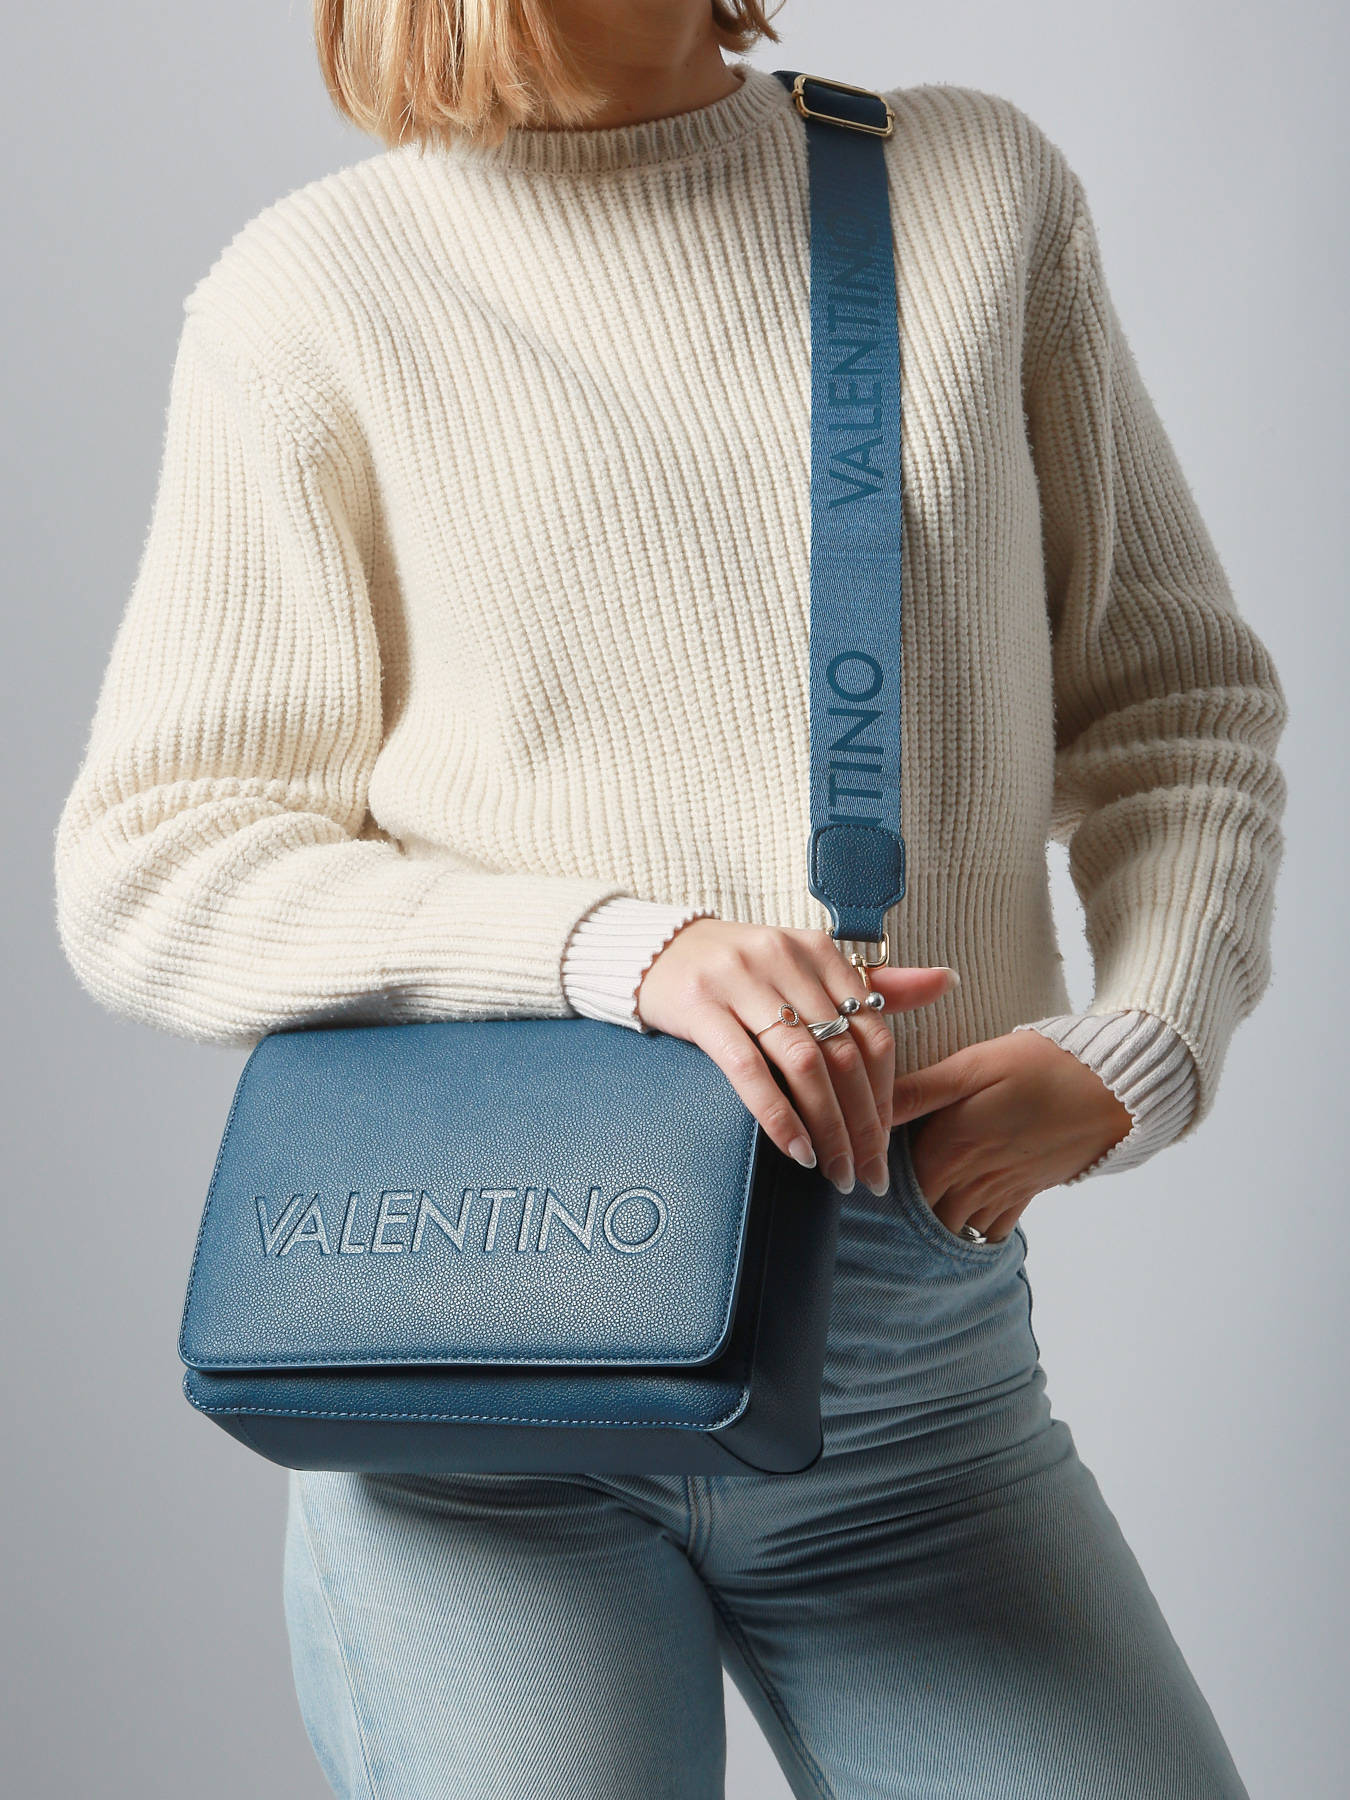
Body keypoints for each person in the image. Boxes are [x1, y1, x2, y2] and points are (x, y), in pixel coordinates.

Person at [53, 1, 1286, 1794]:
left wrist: (1144, 1043)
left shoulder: (963, 188)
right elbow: (155, 861)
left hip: (908, 1360)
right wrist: (619, 952)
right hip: (481, 1384)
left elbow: (1174, 710)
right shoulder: (313, 293)